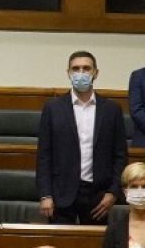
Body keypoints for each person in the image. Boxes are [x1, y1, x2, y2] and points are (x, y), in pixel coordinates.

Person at [37, 52, 127, 225]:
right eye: (76, 68)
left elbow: (120, 155)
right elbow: (44, 155)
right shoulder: (53, 108)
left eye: (86, 68)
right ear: (68, 73)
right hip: (61, 193)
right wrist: (45, 194)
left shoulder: (111, 110)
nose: (81, 73)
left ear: (96, 72)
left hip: (98, 197)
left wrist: (113, 192)